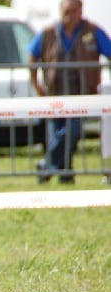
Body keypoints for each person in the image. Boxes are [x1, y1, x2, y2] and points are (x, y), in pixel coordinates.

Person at [29, 0, 111, 184]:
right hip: (54, 94)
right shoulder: (48, 32)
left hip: (82, 96)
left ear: (81, 11)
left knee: (70, 131)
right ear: (61, 10)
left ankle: (46, 165)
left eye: (74, 10)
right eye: (67, 10)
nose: (70, 14)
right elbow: (32, 56)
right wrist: (36, 85)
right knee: (59, 135)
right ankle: (66, 175)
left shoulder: (92, 31)